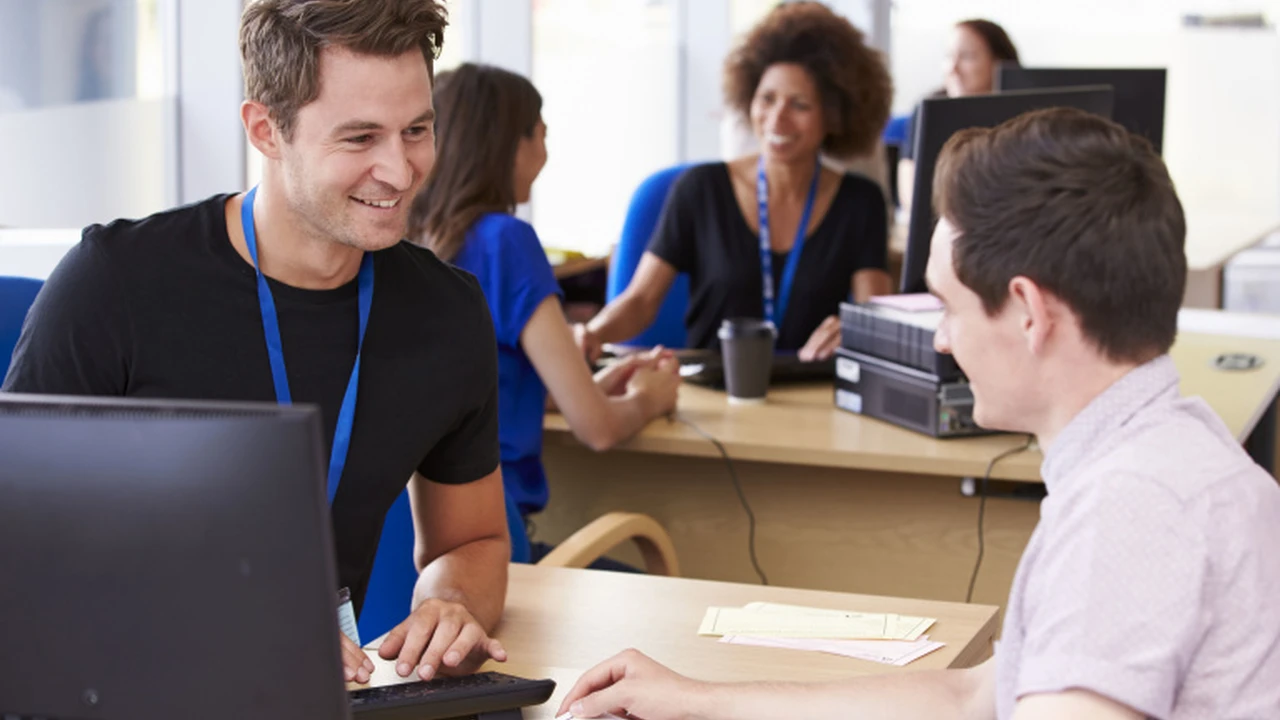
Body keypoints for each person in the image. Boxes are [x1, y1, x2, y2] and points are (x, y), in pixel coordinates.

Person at [556, 108, 1280, 719]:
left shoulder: (1131, 512)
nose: (938, 336)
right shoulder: (1169, 453)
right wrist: (702, 699)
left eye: (949, 305)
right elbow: (970, 696)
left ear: (1028, 312)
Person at [3, 0, 510, 689]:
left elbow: (472, 541)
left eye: (417, 129)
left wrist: (449, 601)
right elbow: (20, 554)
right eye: (359, 139)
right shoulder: (115, 285)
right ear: (266, 130)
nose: (400, 170)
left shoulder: (448, 314)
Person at [409, 63, 680, 563]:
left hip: (416, 563)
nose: (546, 155)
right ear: (511, 144)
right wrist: (650, 397)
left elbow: (477, 391)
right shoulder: (506, 242)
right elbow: (597, 429)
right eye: (542, 136)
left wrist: (583, 384)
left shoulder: (407, 240)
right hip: (491, 551)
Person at [579, 1, 893, 362]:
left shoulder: (860, 202)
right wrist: (591, 334)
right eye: (767, 99)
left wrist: (853, 333)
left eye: (800, 105)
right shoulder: (700, 190)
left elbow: (876, 320)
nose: (777, 119)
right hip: (712, 392)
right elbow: (640, 301)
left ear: (834, 116)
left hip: (811, 391)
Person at [898, 19, 1019, 210]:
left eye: (967, 56)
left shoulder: (1020, 117)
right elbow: (911, 197)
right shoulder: (927, 111)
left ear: (999, 62)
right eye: (948, 56)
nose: (952, 68)